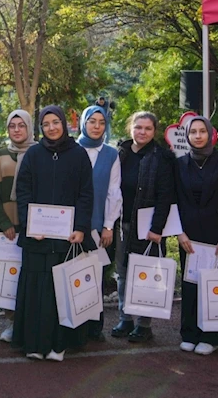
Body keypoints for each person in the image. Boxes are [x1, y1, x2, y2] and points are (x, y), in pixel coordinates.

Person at [12, 106, 95, 361]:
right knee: (37, 290)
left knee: (61, 291)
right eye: (46, 124)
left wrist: (80, 227)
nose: (51, 127)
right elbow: (23, 192)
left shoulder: (79, 155)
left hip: (67, 239)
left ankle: (59, 345)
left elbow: (86, 194)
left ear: (64, 124)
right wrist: (30, 225)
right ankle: (35, 344)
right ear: (41, 127)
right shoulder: (33, 154)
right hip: (37, 239)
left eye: (55, 122)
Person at [111, 111, 176, 343]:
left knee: (147, 275)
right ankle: (125, 318)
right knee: (123, 273)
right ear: (131, 128)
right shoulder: (120, 153)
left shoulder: (162, 158)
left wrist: (157, 228)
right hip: (121, 224)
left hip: (148, 228)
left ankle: (144, 325)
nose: (142, 132)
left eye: (148, 129)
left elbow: (166, 196)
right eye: (138, 127)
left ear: (154, 131)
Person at [176, 116, 218, 355]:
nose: (198, 136)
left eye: (202, 131)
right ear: (187, 136)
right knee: (190, 284)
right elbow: (175, 199)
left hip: (217, 234)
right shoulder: (180, 164)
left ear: (211, 134)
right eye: (193, 132)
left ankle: (212, 337)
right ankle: (189, 333)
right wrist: (179, 233)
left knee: (215, 285)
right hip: (189, 236)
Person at [77, 105, 122, 342]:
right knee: (73, 274)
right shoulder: (71, 149)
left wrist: (108, 225)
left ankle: (94, 328)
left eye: (101, 122)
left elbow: (114, 192)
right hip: (73, 226)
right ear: (83, 123)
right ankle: (74, 326)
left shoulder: (111, 154)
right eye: (92, 121)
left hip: (98, 226)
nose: (96, 126)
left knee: (95, 277)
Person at [0, 109, 36, 343]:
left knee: (33, 276)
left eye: (21, 125)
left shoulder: (40, 152)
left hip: (36, 228)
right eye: (12, 126)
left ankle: (32, 322)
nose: (17, 130)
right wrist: (4, 222)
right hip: (9, 228)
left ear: (29, 127)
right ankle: (12, 322)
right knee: (9, 276)